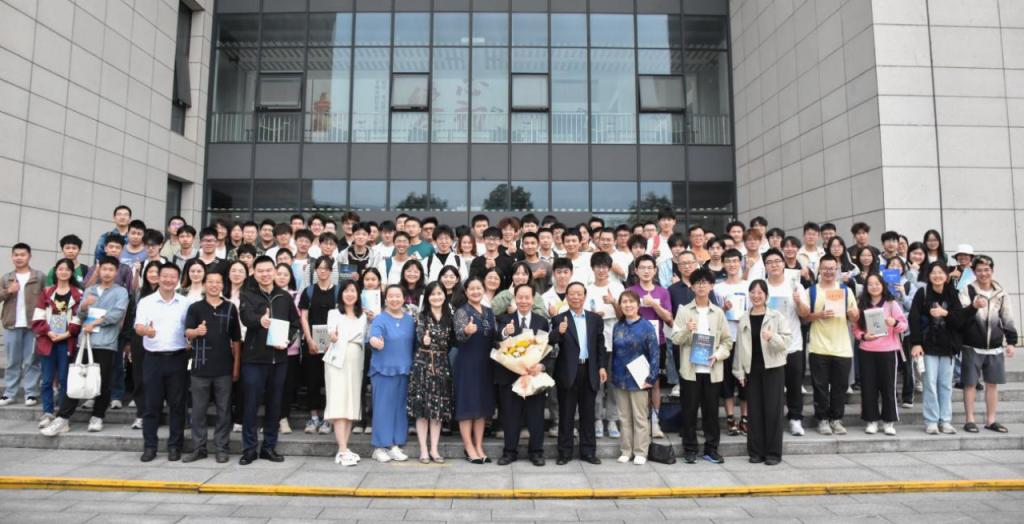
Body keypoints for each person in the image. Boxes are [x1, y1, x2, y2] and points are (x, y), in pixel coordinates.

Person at [238, 256, 300, 465]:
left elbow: (295, 324)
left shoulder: (284, 296)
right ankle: (249, 449)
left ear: (274, 271)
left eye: (268, 270)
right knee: (251, 405)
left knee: (274, 405)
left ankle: (269, 447)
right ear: (254, 273)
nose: (265, 274)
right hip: (254, 360)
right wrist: (260, 320)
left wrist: (287, 340)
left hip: (279, 360)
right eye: (260, 271)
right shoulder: (247, 294)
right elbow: (245, 318)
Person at [670, 269, 734, 464]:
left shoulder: (719, 313)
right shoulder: (684, 311)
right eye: (697, 282)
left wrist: (718, 355)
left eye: (705, 282)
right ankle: (690, 449)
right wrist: (687, 330)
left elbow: (727, 341)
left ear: (711, 286)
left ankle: (711, 449)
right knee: (689, 412)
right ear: (692, 286)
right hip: (690, 371)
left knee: (711, 413)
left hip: (712, 370)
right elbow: (675, 339)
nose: (701, 286)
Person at [182, 271, 241, 463]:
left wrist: (236, 366)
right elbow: (187, 332)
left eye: (218, 282)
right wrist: (196, 331)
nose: (214, 285)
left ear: (223, 285)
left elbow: (236, 340)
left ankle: (222, 448)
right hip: (200, 367)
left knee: (224, 411)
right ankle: (199, 448)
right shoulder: (195, 308)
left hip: (224, 368)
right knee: (198, 411)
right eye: (210, 282)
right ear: (205, 285)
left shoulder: (230, 308)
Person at [134, 262, 190, 461]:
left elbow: (189, 328)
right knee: (151, 406)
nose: (168, 280)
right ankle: (150, 447)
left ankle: (175, 446)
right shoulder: (146, 302)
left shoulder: (185, 303)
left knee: (177, 406)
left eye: (173, 277)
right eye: (164, 276)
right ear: (158, 278)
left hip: (178, 358)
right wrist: (146, 331)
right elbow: (138, 327)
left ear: (178, 280)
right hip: (153, 359)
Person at [733, 279, 792, 465]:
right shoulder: (744, 318)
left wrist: (772, 337)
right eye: (753, 292)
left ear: (766, 295)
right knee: (755, 412)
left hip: (773, 368)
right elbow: (739, 348)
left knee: (773, 411)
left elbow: (786, 342)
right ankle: (756, 452)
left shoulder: (776, 316)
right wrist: (739, 372)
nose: (756, 296)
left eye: (760, 293)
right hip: (752, 369)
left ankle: (773, 453)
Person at [549, 282, 607, 465]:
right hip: (567, 372)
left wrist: (602, 367)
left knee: (588, 414)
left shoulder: (595, 319)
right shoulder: (559, 319)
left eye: (579, 293)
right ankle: (564, 453)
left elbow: (600, 345)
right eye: (572, 294)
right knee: (566, 415)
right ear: (566, 296)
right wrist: (558, 332)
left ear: (585, 296)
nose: (575, 297)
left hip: (589, 370)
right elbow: (550, 342)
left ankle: (588, 452)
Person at [802, 254, 859, 436]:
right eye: (825, 268)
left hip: (842, 347)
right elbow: (804, 317)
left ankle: (836, 419)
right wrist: (819, 315)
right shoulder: (811, 291)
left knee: (839, 387)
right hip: (818, 346)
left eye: (832, 268)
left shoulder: (845, 290)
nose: (828, 272)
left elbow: (855, 317)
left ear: (837, 270)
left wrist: (853, 314)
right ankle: (822, 419)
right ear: (819, 269)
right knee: (820, 387)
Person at [495, 284, 551, 466]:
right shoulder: (505, 319)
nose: (524, 301)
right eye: (520, 297)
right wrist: (506, 332)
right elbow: (496, 342)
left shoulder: (541, 321)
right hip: (510, 376)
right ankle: (509, 452)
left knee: (536, 417)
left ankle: (536, 452)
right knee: (511, 416)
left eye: (527, 297)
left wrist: (541, 365)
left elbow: (547, 349)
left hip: (533, 376)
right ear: (515, 299)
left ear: (533, 300)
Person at [958, 255, 1016, 434]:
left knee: (992, 384)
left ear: (992, 270)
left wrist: (1011, 342)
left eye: (986, 270)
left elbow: (1007, 317)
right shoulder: (967, 290)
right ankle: (970, 420)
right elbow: (961, 317)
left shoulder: (1001, 292)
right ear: (974, 272)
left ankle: (991, 420)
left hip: (995, 347)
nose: (983, 273)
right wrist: (974, 307)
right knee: (970, 384)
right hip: (971, 345)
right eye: (979, 270)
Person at [910, 262, 969, 435]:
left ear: (946, 275)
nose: (937, 276)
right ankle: (931, 421)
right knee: (929, 384)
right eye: (933, 273)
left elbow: (960, 320)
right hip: (928, 346)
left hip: (948, 347)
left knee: (945, 385)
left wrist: (945, 313)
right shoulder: (922, 292)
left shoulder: (952, 293)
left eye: (941, 272)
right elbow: (914, 318)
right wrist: (916, 343)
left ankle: (945, 421)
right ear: (928, 275)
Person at [851, 273, 907, 436]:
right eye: (870, 284)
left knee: (888, 387)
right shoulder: (862, 304)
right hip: (867, 351)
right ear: (866, 287)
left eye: (877, 283)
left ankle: (889, 421)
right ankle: (871, 420)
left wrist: (894, 322)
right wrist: (863, 336)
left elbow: (904, 325)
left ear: (882, 285)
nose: (874, 287)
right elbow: (855, 328)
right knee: (868, 387)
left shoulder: (891, 304)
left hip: (888, 350)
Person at [762, 249, 809, 436]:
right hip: (769, 345)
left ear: (784, 264)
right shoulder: (761, 287)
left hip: (792, 344)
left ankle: (795, 419)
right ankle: (773, 420)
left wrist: (798, 302)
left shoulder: (795, 286)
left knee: (794, 385)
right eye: (769, 262)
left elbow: (805, 314)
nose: (774, 265)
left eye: (777, 261)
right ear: (765, 266)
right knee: (771, 386)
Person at [31, 259, 83, 429]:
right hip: (48, 340)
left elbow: (79, 318)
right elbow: (38, 317)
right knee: (46, 379)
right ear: (55, 271)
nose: (63, 272)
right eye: (60, 269)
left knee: (64, 378)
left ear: (71, 273)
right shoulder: (46, 292)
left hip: (67, 341)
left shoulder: (78, 294)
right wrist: (48, 332)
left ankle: (62, 414)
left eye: (67, 269)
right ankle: (47, 412)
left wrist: (67, 334)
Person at [367, 285, 415, 463]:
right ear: (385, 299)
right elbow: (374, 336)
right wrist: (375, 342)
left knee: (399, 409)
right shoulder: (380, 319)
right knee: (383, 409)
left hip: (404, 369)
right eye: (391, 296)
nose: (394, 299)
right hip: (383, 370)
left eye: (398, 296)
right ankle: (379, 446)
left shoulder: (409, 320)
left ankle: (394, 444)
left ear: (404, 298)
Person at [609, 290, 658, 465]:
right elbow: (615, 352)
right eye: (624, 302)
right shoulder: (618, 326)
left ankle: (640, 451)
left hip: (640, 379)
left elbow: (654, 353)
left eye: (631, 301)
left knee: (639, 417)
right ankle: (626, 450)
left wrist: (651, 377)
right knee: (624, 417)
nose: (628, 305)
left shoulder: (646, 326)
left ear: (638, 304)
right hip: (620, 377)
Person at [408, 282, 455, 464]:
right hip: (423, 364)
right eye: (433, 294)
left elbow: (454, 340)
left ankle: (434, 449)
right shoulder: (422, 316)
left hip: (441, 365)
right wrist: (424, 340)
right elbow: (420, 336)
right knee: (422, 410)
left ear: (445, 295)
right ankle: (423, 450)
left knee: (438, 410)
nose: (437, 297)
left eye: (439, 293)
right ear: (427, 297)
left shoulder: (449, 317)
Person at [453, 277, 499, 463]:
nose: (475, 292)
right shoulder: (462, 312)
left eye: (478, 288)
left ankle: (479, 446)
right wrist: (466, 331)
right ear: (465, 292)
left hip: (486, 365)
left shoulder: (489, 312)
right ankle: (468, 447)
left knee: (482, 407)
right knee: (467, 406)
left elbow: (494, 337)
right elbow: (458, 336)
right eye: (471, 289)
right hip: (467, 365)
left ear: (483, 290)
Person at [628, 255, 673, 438]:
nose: (646, 271)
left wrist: (654, 304)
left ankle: (655, 421)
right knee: (637, 382)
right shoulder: (630, 291)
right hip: (635, 344)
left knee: (654, 382)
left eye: (649, 268)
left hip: (657, 342)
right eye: (642, 268)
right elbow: (624, 315)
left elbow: (669, 319)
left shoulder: (663, 292)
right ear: (636, 271)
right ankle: (640, 421)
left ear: (655, 271)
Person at [324, 280, 367, 466]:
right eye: (346, 291)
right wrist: (332, 336)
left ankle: (345, 447)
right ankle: (341, 449)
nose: (350, 294)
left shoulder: (363, 315)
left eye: (353, 291)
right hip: (337, 362)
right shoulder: (334, 313)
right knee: (339, 402)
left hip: (356, 360)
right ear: (340, 294)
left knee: (351, 404)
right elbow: (331, 333)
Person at [298, 256, 342, 435]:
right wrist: (309, 339)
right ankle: (314, 417)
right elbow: (304, 317)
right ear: (315, 270)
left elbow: (341, 317)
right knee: (312, 380)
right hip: (313, 344)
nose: (323, 271)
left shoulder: (338, 291)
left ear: (331, 271)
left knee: (331, 381)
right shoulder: (308, 291)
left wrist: (335, 338)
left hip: (333, 343)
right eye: (320, 268)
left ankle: (328, 418)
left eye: (326, 268)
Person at [0, 243, 45, 407]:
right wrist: (8, 291)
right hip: (12, 324)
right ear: (12, 257)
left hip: (33, 325)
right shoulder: (6, 277)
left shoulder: (39, 276)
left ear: (29, 256)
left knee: (32, 360)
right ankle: (10, 393)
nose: (19, 258)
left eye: (23, 255)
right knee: (13, 361)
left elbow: (47, 298)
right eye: (16, 255)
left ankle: (31, 393)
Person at [587, 252, 623, 439]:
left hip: (615, 339)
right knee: (597, 383)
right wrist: (594, 317)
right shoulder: (587, 289)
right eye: (598, 266)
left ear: (609, 269)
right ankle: (597, 419)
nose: (601, 270)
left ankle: (612, 419)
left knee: (614, 383)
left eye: (604, 267)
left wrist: (614, 302)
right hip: (595, 341)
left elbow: (624, 315)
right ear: (592, 268)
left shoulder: (617, 287)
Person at [713, 248, 749, 437]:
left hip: (745, 339)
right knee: (726, 380)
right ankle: (729, 418)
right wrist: (723, 308)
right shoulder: (717, 288)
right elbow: (713, 315)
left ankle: (745, 418)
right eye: (728, 261)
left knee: (744, 381)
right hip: (725, 340)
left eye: (735, 261)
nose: (732, 265)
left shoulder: (748, 286)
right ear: (723, 264)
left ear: (740, 263)